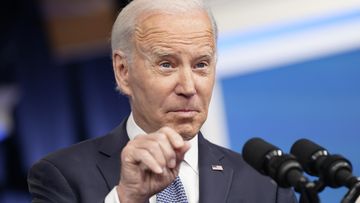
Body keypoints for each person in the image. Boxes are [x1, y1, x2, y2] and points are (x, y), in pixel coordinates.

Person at [28, 0, 297, 202]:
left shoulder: (266, 185)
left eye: (201, 64)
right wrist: (126, 198)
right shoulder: (61, 176)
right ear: (123, 71)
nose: (189, 87)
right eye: (167, 64)